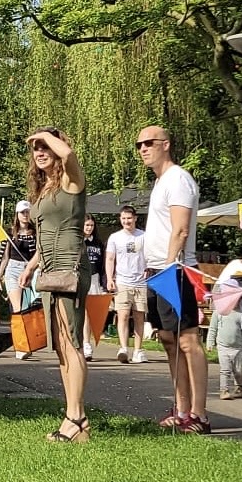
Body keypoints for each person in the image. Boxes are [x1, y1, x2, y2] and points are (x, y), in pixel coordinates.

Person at [138, 124, 210, 434]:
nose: (142, 148)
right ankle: (181, 408)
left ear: (165, 144)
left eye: (148, 142)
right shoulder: (160, 183)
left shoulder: (179, 179)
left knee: (187, 340)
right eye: (139, 144)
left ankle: (199, 414)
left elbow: (180, 229)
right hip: (156, 271)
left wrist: (168, 265)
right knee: (168, 340)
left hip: (175, 271)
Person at [21, 127, 90, 444]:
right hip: (49, 271)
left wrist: (46, 136)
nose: (39, 151)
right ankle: (72, 417)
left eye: (45, 145)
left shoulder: (71, 180)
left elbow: (70, 155)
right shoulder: (44, 188)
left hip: (70, 269)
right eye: (35, 147)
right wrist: (31, 266)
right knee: (61, 346)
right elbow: (45, 236)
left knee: (72, 342)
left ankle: (76, 419)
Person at [0, 200, 37, 359]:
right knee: (18, 308)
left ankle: (29, 341)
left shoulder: (35, 233)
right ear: (17, 215)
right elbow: (3, 257)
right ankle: (21, 346)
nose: (25, 215)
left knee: (29, 308)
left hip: (31, 269)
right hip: (13, 269)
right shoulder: (10, 233)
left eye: (27, 212)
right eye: (22, 212)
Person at [105, 206, 148, 364]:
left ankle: (138, 350)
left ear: (135, 218)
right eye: (123, 218)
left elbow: (150, 255)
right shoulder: (115, 237)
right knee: (122, 315)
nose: (126, 221)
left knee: (139, 316)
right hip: (122, 281)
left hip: (140, 282)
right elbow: (110, 259)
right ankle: (123, 348)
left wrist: (148, 268)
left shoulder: (144, 236)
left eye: (129, 218)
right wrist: (110, 278)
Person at [207, 300, 242, 400]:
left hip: (237, 348)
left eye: (238, 300)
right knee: (225, 370)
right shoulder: (218, 313)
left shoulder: (241, 314)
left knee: (238, 371)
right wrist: (210, 342)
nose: (235, 302)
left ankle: (238, 388)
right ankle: (224, 390)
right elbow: (212, 329)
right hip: (223, 347)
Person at [82, 215, 106, 361]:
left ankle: (87, 343)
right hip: (81, 279)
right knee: (82, 312)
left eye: (91, 225)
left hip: (95, 279)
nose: (89, 228)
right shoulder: (78, 242)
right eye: (86, 225)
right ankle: (83, 342)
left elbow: (102, 264)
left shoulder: (98, 244)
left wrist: (104, 283)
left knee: (90, 313)